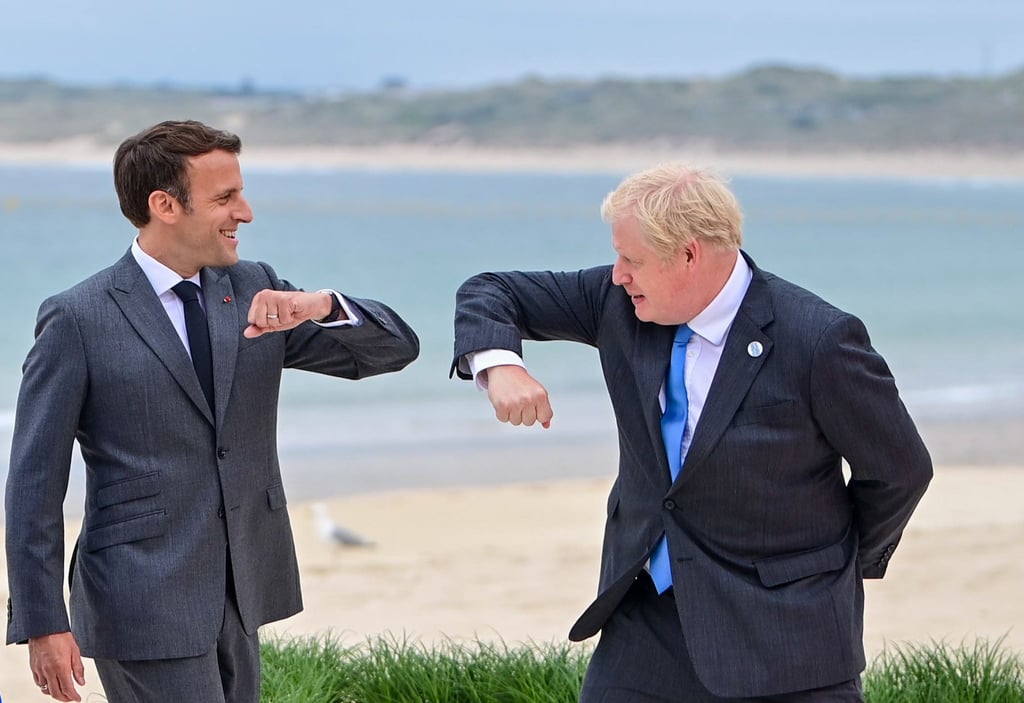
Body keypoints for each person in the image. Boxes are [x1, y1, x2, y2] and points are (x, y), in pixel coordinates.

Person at [451, 163, 932, 702]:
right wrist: (501, 365)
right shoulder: (616, 304)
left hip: (785, 638)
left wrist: (834, 566)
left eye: (632, 260)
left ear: (689, 254)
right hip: (645, 624)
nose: (617, 275)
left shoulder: (819, 339)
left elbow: (899, 470)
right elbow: (490, 290)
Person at [5, 119, 419, 702]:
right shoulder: (77, 318)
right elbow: (33, 481)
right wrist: (43, 620)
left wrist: (323, 305)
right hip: (139, 596)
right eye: (225, 198)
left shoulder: (256, 288)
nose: (244, 213)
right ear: (164, 204)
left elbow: (394, 350)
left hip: (244, 585)